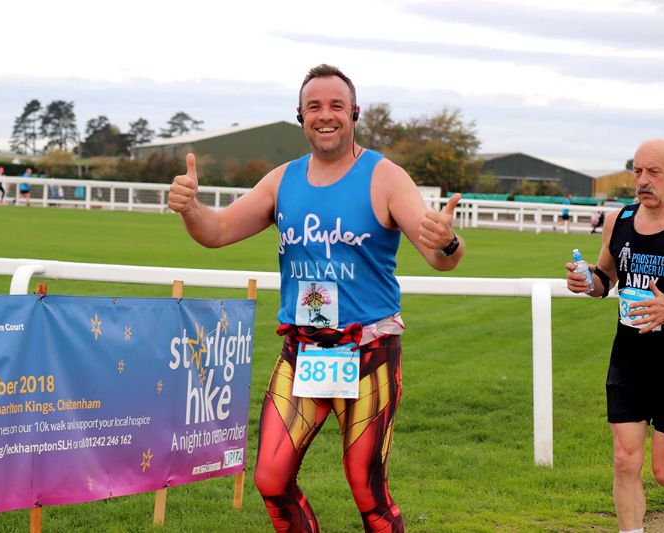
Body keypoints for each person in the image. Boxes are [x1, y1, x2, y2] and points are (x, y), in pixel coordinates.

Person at [168, 64, 465, 532]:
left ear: (354, 114)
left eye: (336, 107)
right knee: (270, 478)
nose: (325, 116)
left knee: (367, 490)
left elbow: (440, 255)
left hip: (369, 352)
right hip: (302, 350)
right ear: (300, 116)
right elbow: (218, 230)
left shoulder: (384, 177)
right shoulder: (282, 180)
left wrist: (447, 240)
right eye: (314, 107)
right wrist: (190, 209)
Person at [565, 139, 664, 533]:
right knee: (624, 460)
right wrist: (586, 281)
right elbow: (605, 279)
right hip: (628, 360)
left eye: (654, 172)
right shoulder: (620, 220)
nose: (643, 181)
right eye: (637, 171)